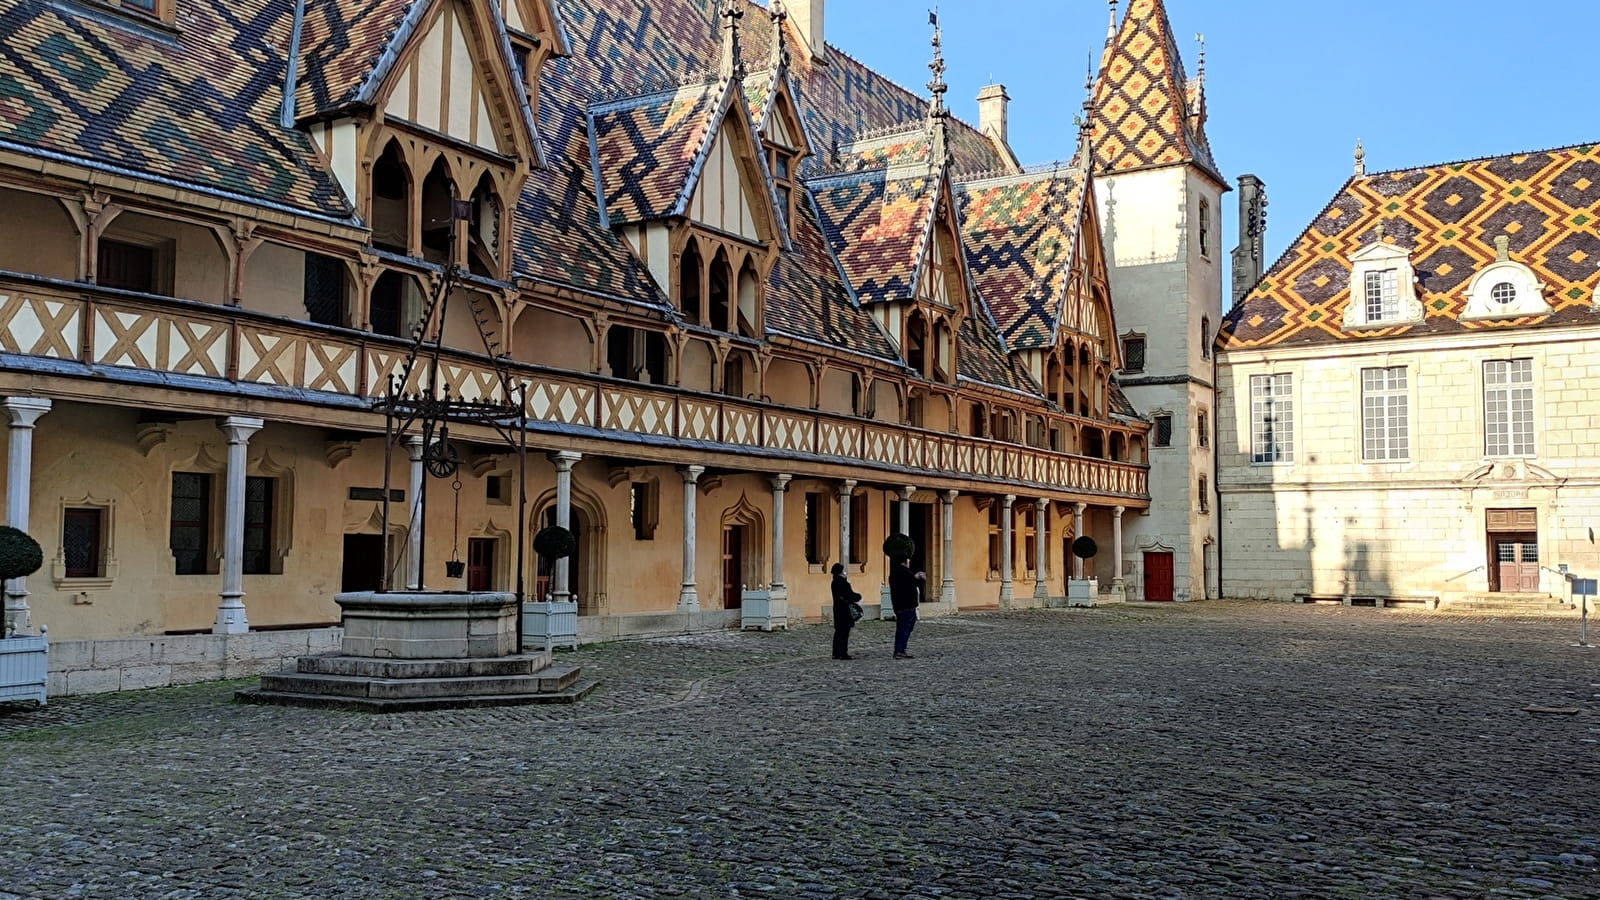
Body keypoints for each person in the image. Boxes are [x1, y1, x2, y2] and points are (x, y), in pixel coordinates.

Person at [888, 557, 924, 659]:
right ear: (905, 561)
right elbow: (911, 585)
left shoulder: (894, 572)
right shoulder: (905, 572)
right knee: (904, 628)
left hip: (898, 604)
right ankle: (899, 650)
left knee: (903, 628)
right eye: (908, 560)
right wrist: (917, 578)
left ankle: (900, 649)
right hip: (907, 604)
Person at [830, 563, 859, 660]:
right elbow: (849, 594)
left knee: (838, 631)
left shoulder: (834, 582)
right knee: (844, 632)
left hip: (837, 609)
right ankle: (843, 652)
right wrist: (858, 596)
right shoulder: (843, 582)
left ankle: (836, 652)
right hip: (844, 609)